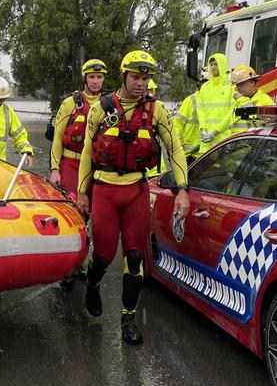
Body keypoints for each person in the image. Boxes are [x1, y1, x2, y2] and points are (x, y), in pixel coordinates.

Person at [76, 50, 190, 344]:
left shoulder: (157, 111)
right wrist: (82, 194)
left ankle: (128, 319)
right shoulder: (101, 109)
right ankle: (93, 284)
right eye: (136, 77)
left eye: (146, 78)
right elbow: (88, 152)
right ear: (124, 76)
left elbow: (175, 148)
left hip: (136, 191)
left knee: (135, 257)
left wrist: (182, 189)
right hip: (104, 190)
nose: (141, 84)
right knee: (103, 256)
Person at [49, 59, 108, 194]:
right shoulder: (69, 103)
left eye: (99, 77)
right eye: (91, 77)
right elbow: (57, 138)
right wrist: (55, 170)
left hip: (97, 166)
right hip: (72, 162)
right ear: (85, 79)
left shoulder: (109, 104)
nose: (95, 81)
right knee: (73, 203)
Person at [176, 52, 235, 156]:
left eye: (216, 64)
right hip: (206, 141)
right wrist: (202, 130)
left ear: (222, 64)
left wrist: (215, 132)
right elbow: (201, 110)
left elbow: (231, 113)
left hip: (223, 140)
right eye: (211, 64)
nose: (213, 67)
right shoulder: (206, 87)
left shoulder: (231, 87)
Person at [225, 64, 274, 137]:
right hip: (238, 143)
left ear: (252, 82)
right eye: (236, 85)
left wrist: (241, 99)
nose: (237, 88)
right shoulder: (241, 100)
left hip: (252, 145)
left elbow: (253, 121)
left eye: (241, 84)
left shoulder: (264, 101)